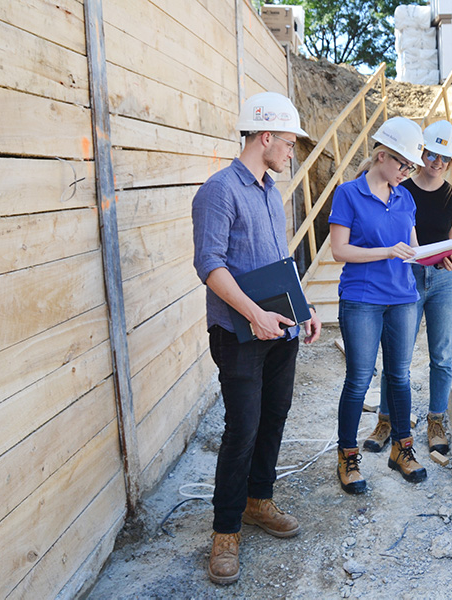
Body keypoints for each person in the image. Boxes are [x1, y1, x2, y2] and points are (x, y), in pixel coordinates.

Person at [192, 91, 322, 585]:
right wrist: (254, 316)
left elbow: (278, 258)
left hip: (279, 329)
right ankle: (225, 531)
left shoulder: (269, 189)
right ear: (265, 137)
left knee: (274, 417)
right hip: (239, 334)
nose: (292, 152)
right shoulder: (219, 191)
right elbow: (210, 265)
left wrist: (301, 309)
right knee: (242, 428)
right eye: (288, 143)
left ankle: (257, 501)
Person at [329, 116, 428, 495]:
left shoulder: (405, 196)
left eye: (411, 167)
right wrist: (386, 251)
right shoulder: (348, 194)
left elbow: (413, 249)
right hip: (362, 300)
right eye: (404, 164)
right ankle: (348, 457)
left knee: (399, 377)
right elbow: (340, 250)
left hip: (402, 298)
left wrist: (443, 255)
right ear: (382, 156)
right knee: (358, 379)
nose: (408, 172)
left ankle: (402, 450)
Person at [364, 120, 452, 457]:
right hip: (405, 279)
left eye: (445, 158)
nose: (437, 162)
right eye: (432, 154)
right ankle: (386, 420)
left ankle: (435, 421)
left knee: (441, 354)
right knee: (397, 355)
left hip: (443, 282)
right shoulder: (401, 190)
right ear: (420, 151)